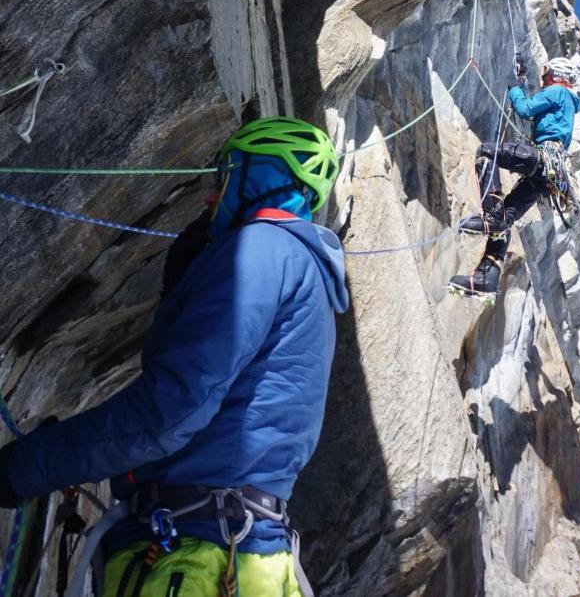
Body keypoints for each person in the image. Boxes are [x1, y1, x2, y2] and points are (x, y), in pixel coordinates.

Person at [0, 116, 348, 597]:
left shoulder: (262, 251)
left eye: (226, 174)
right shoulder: (304, 270)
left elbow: (170, 413)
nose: (212, 195)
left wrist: (25, 467)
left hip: (194, 560)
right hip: (249, 558)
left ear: (258, 176)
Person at [449, 57, 580, 302]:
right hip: (548, 173)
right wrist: (520, 82)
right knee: (505, 220)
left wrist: (514, 87)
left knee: (487, 152)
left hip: (542, 157)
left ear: (556, 74)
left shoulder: (557, 91)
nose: (543, 79)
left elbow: (525, 109)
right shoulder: (567, 100)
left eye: (546, 74)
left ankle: (490, 214)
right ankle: (487, 277)